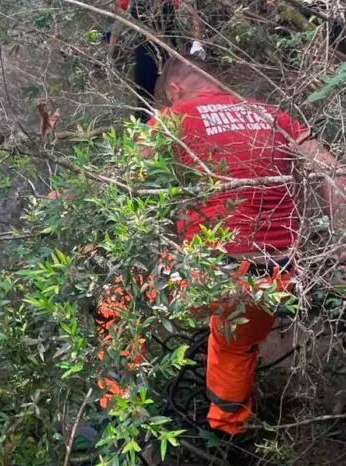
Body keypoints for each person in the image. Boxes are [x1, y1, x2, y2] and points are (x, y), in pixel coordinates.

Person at [142, 57, 345, 434]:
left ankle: (122, 410)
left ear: (174, 90)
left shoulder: (171, 121)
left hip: (204, 277)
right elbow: (334, 174)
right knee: (235, 346)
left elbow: (119, 179)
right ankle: (225, 429)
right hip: (276, 277)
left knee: (112, 297)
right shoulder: (276, 117)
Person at [105, 1, 205, 119]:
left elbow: (193, 15)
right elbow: (119, 20)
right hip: (144, 49)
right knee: (144, 95)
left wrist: (197, 42)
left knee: (175, 92)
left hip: (168, 49)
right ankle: (144, 128)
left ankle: (180, 124)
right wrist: (110, 53)